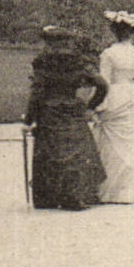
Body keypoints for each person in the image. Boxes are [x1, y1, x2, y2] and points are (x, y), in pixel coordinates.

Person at [22, 26, 109, 211]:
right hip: (72, 111)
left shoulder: (42, 63)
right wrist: (90, 107)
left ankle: (47, 198)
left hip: (49, 112)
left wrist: (28, 120)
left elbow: (36, 93)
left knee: (49, 152)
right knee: (76, 153)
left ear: (48, 43)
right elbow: (102, 85)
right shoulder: (78, 62)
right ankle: (73, 196)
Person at [92, 10, 134, 203]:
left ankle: (111, 191)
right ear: (133, 32)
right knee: (132, 145)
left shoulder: (109, 54)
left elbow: (103, 83)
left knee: (112, 144)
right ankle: (128, 192)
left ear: (114, 31)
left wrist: (98, 106)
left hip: (114, 94)